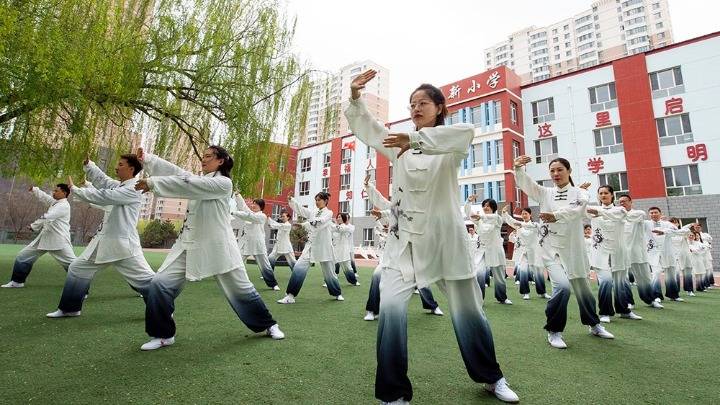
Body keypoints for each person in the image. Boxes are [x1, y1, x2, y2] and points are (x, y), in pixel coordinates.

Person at [345, 70, 518, 404]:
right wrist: (355, 98)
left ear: (439, 107)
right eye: (411, 104)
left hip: (445, 241)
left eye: (423, 102)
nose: (415, 108)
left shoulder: (449, 143)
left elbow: (466, 132)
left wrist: (417, 140)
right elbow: (368, 128)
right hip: (403, 243)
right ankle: (394, 394)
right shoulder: (399, 145)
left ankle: (491, 377)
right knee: (392, 307)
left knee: (469, 311)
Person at [136, 146, 284, 350]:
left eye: (208, 157)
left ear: (221, 161)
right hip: (187, 244)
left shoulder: (223, 183)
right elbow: (179, 174)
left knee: (242, 290)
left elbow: (189, 183)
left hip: (219, 247)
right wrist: (148, 159)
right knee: (159, 284)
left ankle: (269, 325)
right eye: (202, 156)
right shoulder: (199, 180)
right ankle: (163, 335)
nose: (203, 160)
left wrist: (152, 182)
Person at [513, 155, 613, 349]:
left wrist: (555, 215)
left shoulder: (580, 193)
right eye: (552, 170)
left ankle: (594, 324)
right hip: (550, 249)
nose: (556, 173)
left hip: (573, 249)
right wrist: (517, 169)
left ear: (569, 172)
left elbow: (578, 208)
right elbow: (528, 184)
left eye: (560, 169)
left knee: (583, 289)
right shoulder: (545, 193)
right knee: (562, 287)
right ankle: (554, 330)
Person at [46, 155, 156, 318]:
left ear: (131, 169)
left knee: (148, 281)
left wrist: (75, 190)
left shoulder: (134, 188)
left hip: (123, 246)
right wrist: (89, 165)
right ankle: (70, 308)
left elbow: (104, 196)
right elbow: (103, 181)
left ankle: (164, 311)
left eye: (120, 164)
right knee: (77, 269)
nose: (116, 167)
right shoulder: (121, 185)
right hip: (105, 242)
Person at [363, 178, 443, 321]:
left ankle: (432, 306)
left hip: (411, 253)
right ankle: (372, 310)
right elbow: (382, 202)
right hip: (392, 254)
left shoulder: (419, 211)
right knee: (377, 275)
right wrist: (368, 186)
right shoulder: (394, 207)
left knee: (421, 279)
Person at [2, 184, 76, 288]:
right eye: (54, 190)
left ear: (64, 193)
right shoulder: (55, 202)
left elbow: (47, 217)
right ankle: (17, 282)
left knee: (74, 265)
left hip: (59, 241)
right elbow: (45, 198)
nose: (53, 192)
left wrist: (33, 226)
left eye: (56, 191)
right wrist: (35, 190)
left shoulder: (63, 206)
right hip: (44, 238)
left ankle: (81, 290)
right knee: (22, 257)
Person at [585, 185, 641, 323]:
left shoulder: (620, 210)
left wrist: (600, 213)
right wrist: (580, 192)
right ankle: (605, 312)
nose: (603, 195)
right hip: (600, 251)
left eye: (606, 193)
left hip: (618, 251)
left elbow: (619, 216)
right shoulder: (593, 210)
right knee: (605, 281)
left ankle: (624, 311)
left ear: (612, 195)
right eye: (600, 193)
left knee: (620, 282)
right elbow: (577, 209)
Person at [277, 192, 344, 304]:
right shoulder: (313, 212)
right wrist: (292, 200)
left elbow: (320, 222)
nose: (317, 202)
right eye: (316, 200)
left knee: (330, 273)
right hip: (311, 246)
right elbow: (301, 210)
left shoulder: (329, 213)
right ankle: (290, 295)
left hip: (324, 247)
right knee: (298, 268)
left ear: (325, 201)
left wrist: (309, 222)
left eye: (319, 200)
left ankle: (337, 293)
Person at [617, 195, 664, 309]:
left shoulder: (639, 213)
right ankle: (629, 302)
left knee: (644, 278)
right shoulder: (617, 216)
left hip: (638, 252)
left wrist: (616, 214)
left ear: (630, 202)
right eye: (620, 202)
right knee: (624, 279)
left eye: (624, 201)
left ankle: (650, 300)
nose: (622, 203)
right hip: (623, 252)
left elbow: (632, 216)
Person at [466, 196, 512, 305]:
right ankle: (479, 299)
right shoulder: (479, 220)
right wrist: (468, 202)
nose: (486, 207)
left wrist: (480, 216)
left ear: (493, 208)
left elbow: (490, 217)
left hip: (495, 251)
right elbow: (469, 214)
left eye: (488, 206)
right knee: (479, 274)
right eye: (484, 206)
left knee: (499, 277)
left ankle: (502, 298)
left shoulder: (497, 219)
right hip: (481, 252)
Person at [232, 195, 280, 291]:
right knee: (237, 262)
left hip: (258, 245)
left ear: (261, 206)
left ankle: (273, 284)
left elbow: (250, 217)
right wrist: (238, 196)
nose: (253, 206)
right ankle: (235, 282)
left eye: (256, 204)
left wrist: (234, 212)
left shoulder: (262, 216)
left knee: (265, 266)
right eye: (253, 204)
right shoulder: (250, 213)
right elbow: (244, 207)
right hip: (245, 243)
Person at [502, 206, 549, 300]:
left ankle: (542, 292)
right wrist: (504, 213)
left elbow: (545, 230)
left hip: (534, 251)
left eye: (526, 213)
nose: (524, 215)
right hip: (523, 252)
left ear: (530, 214)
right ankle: (525, 293)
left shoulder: (536, 225)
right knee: (523, 271)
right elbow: (510, 221)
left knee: (538, 272)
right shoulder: (518, 225)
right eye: (522, 214)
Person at [333, 213, 360, 286]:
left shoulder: (346, 227)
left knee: (348, 267)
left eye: (340, 217)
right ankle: (329, 282)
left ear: (343, 219)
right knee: (332, 267)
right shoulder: (335, 227)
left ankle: (354, 281)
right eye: (337, 217)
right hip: (335, 250)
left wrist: (332, 225)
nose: (338, 218)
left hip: (344, 250)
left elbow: (340, 229)